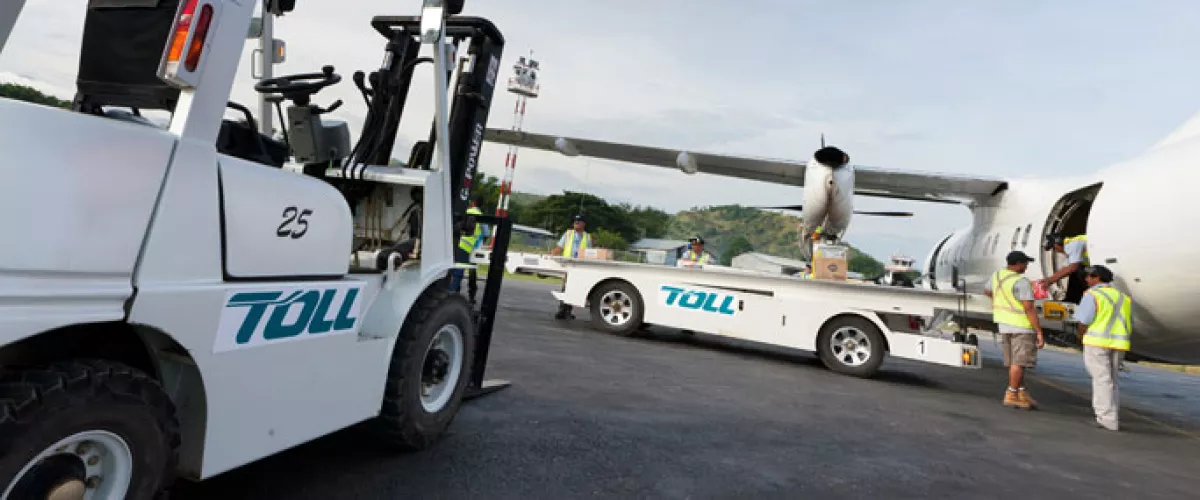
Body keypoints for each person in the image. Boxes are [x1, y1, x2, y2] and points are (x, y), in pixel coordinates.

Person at [1072, 265, 1132, 431]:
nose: (1086, 279)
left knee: (1101, 380)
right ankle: (1112, 415)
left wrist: (1081, 336)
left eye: (1089, 276)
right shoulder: (1123, 297)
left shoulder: (1092, 295)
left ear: (1097, 278)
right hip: (1119, 343)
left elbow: (1083, 321)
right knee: (1111, 380)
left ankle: (1107, 419)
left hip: (1097, 342)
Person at [984, 250, 1045, 410]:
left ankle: (1021, 392)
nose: (1026, 267)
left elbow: (987, 291)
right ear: (1018, 264)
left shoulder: (997, 276)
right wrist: (1039, 331)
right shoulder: (1022, 282)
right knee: (1019, 363)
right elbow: (1029, 308)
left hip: (1004, 325)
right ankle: (1011, 394)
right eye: (1025, 263)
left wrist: (1000, 301)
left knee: (1013, 362)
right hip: (1021, 327)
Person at [552, 214, 592, 319]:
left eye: (579, 221)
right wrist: (551, 255)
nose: (576, 223)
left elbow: (589, 253)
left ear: (584, 224)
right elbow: (559, 247)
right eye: (575, 221)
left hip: (579, 267)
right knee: (565, 287)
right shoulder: (568, 234)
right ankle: (562, 310)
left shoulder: (587, 237)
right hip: (568, 265)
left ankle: (568, 310)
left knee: (574, 288)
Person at [450, 205, 486, 304]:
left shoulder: (465, 211)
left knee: (454, 270)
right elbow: (486, 233)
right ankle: (467, 295)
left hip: (457, 244)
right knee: (466, 273)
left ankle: (455, 292)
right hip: (469, 248)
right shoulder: (481, 217)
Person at [1040, 233, 1089, 303]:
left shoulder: (1073, 245)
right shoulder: (1071, 247)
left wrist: (1050, 280)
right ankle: (1073, 299)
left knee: (1076, 273)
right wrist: (1049, 279)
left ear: (1057, 244)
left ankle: (1075, 300)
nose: (1056, 251)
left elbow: (1073, 267)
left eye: (1054, 248)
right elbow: (1065, 268)